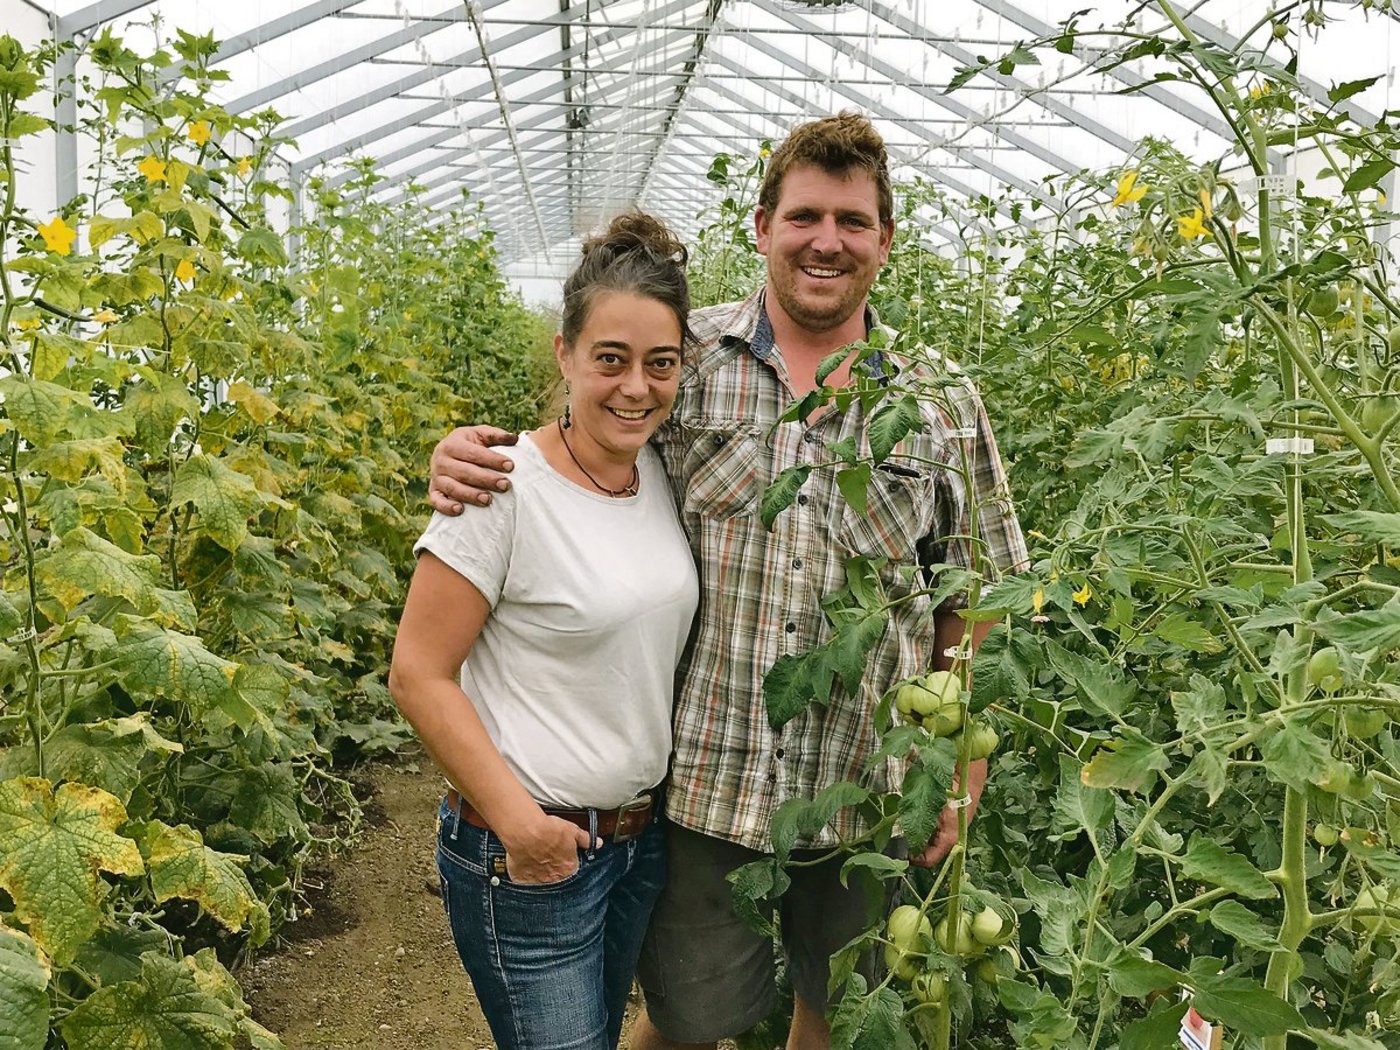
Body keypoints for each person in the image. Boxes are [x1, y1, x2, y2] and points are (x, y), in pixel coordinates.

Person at [427, 113, 1028, 1050]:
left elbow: (976, 596)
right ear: (762, 227)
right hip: (709, 788)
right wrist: (466, 455)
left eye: (852, 221)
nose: (826, 240)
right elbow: (579, 449)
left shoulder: (939, 400)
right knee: (686, 1023)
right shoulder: (686, 359)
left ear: (885, 239)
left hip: (867, 787)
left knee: (837, 1016)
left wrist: (960, 773)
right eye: (804, 216)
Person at [388, 212, 700, 1050]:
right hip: (530, 854)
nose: (636, 387)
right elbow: (417, 673)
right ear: (564, 354)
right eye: (610, 359)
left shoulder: (659, 473)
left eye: (660, 363)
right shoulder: (499, 490)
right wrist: (523, 828)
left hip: (634, 847)